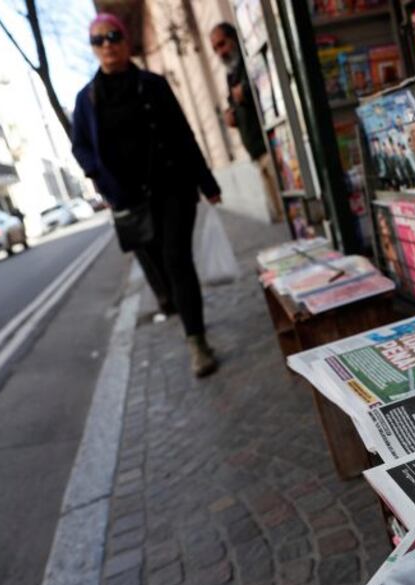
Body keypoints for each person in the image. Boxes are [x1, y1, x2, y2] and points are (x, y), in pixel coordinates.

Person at [72, 13, 220, 377]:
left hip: (173, 187)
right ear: (93, 49)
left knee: (176, 259)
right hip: (128, 199)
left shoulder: (152, 85)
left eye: (114, 36)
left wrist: (206, 182)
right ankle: (185, 312)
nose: (108, 44)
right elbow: (82, 149)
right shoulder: (87, 99)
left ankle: (196, 342)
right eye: (99, 40)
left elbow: (183, 134)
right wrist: (101, 183)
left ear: (126, 41)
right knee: (161, 269)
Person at [209, 23, 284, 223]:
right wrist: (230, 115)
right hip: (256, 151)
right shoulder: (231, 73)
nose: (220, 52)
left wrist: (247, 92)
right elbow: (234, 102)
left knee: (289, 208)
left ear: (233, 38)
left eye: (222, 44)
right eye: (215, 48)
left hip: (272, 143)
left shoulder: (249, 60)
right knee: (280, 212)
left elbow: (268, 85)